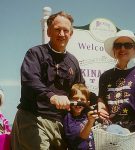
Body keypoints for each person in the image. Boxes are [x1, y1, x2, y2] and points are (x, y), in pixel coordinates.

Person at [11, 11, 87, 150]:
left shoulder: (73, 61)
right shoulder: (35, 53)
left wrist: (98, 103)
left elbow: (81, 88)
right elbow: (30, 80)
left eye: (66, 30)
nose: (62, 34)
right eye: (57, 30)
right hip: (33, 118)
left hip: (61, 122)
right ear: (49, 32)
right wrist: (51, 96)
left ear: (71, 33)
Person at [98, 30, 135, 150]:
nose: (122, 48)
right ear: (113, 50)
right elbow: (101, 97)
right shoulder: (105, 76)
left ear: (134, 49)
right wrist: (101, 106)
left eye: (127, 45)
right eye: (118, 45)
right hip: (112, 132)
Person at [63, 83, 98, 150]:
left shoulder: (86, 114)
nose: (79, 101)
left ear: (87, 103)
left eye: (82, 100)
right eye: (75, 98)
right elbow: (83, 136)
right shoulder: (68, 118)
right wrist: (90, 122)